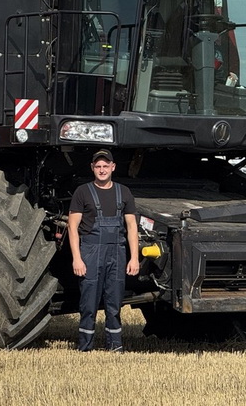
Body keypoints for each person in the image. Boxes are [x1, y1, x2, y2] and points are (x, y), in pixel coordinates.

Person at [67, 149, 139, 352]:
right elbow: (72, 227)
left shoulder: (124, 192)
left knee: (114, 302)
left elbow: (132, 227)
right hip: (90, 252)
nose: (102, 170)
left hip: (117, 252)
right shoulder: (82, 192)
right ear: (92, 168)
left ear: (113, 167)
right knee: (88, 303)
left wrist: (134, 258)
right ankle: (85, 346)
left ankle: (115, 346)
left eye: (105, 166)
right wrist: (77, 259)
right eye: (98, 166)